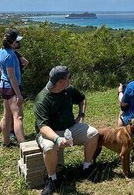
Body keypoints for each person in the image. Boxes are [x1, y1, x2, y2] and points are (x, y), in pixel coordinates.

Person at [34, 66, 99, 195]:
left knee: (93, 133)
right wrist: (57, 139)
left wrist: (81, 114)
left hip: (70, 128)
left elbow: (82, 98)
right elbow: (43, 127)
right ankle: (52, 179)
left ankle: (86, 168)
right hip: (50, 132)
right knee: (49, 148)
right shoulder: (42, 99)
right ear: (60, 81)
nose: (70, 80)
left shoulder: (68, 90)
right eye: (69, 77)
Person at [0, 40, 29, 147]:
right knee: (18, 116)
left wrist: (7, 74)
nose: (19, 43)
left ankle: (6, 141)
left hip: (3, 86)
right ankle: (24, 146)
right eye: (17, 41)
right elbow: (12, 74)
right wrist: (13, 73)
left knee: (7, 115)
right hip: (11, 86)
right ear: (12, 43)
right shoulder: (11, 55)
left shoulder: (1, 51)